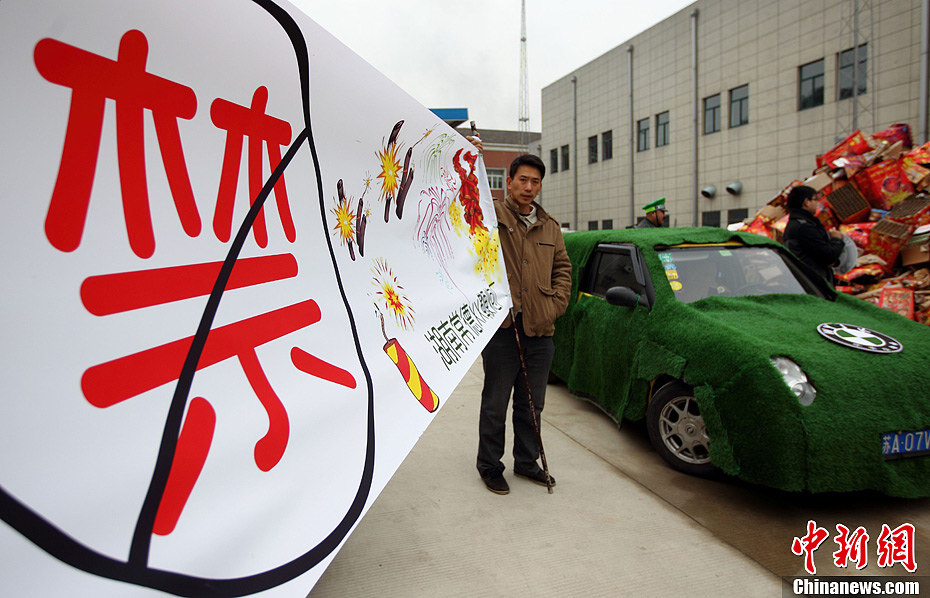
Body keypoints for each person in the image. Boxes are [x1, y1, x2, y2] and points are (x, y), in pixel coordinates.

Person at [468, 146, 572, 495]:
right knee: (495, 402)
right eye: (523, 179)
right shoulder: (490, 215)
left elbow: (563, 269)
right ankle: (489, 465)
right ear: (509, 182)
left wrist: (555, 304)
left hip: (540, 330)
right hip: (503, 329)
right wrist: (470, 159)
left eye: (535, 181)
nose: (529, 186)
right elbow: (462, 208)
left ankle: (527, 462)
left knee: (532, 404)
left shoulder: (550, 227)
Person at [782, 185, 845, 286]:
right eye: (815, 199)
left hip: (805, 282)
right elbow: (828, 256)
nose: (817, 203)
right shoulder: (804, 227)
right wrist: (836, 239)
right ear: (806, 202)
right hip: (815, 285)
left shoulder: (794, 225)